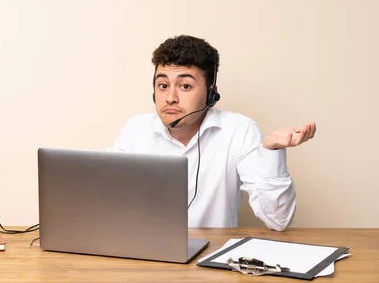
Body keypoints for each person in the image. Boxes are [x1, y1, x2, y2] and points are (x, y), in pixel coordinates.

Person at [109, 35, 316, 231]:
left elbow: (278, 221)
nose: (170, 97)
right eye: (163, 85)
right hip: (145, 256)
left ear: (211, 92)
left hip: (211, 259)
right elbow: (107, 200)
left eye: (185, 86)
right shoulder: (135, 129)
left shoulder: (239, 130)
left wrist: (272, 153)